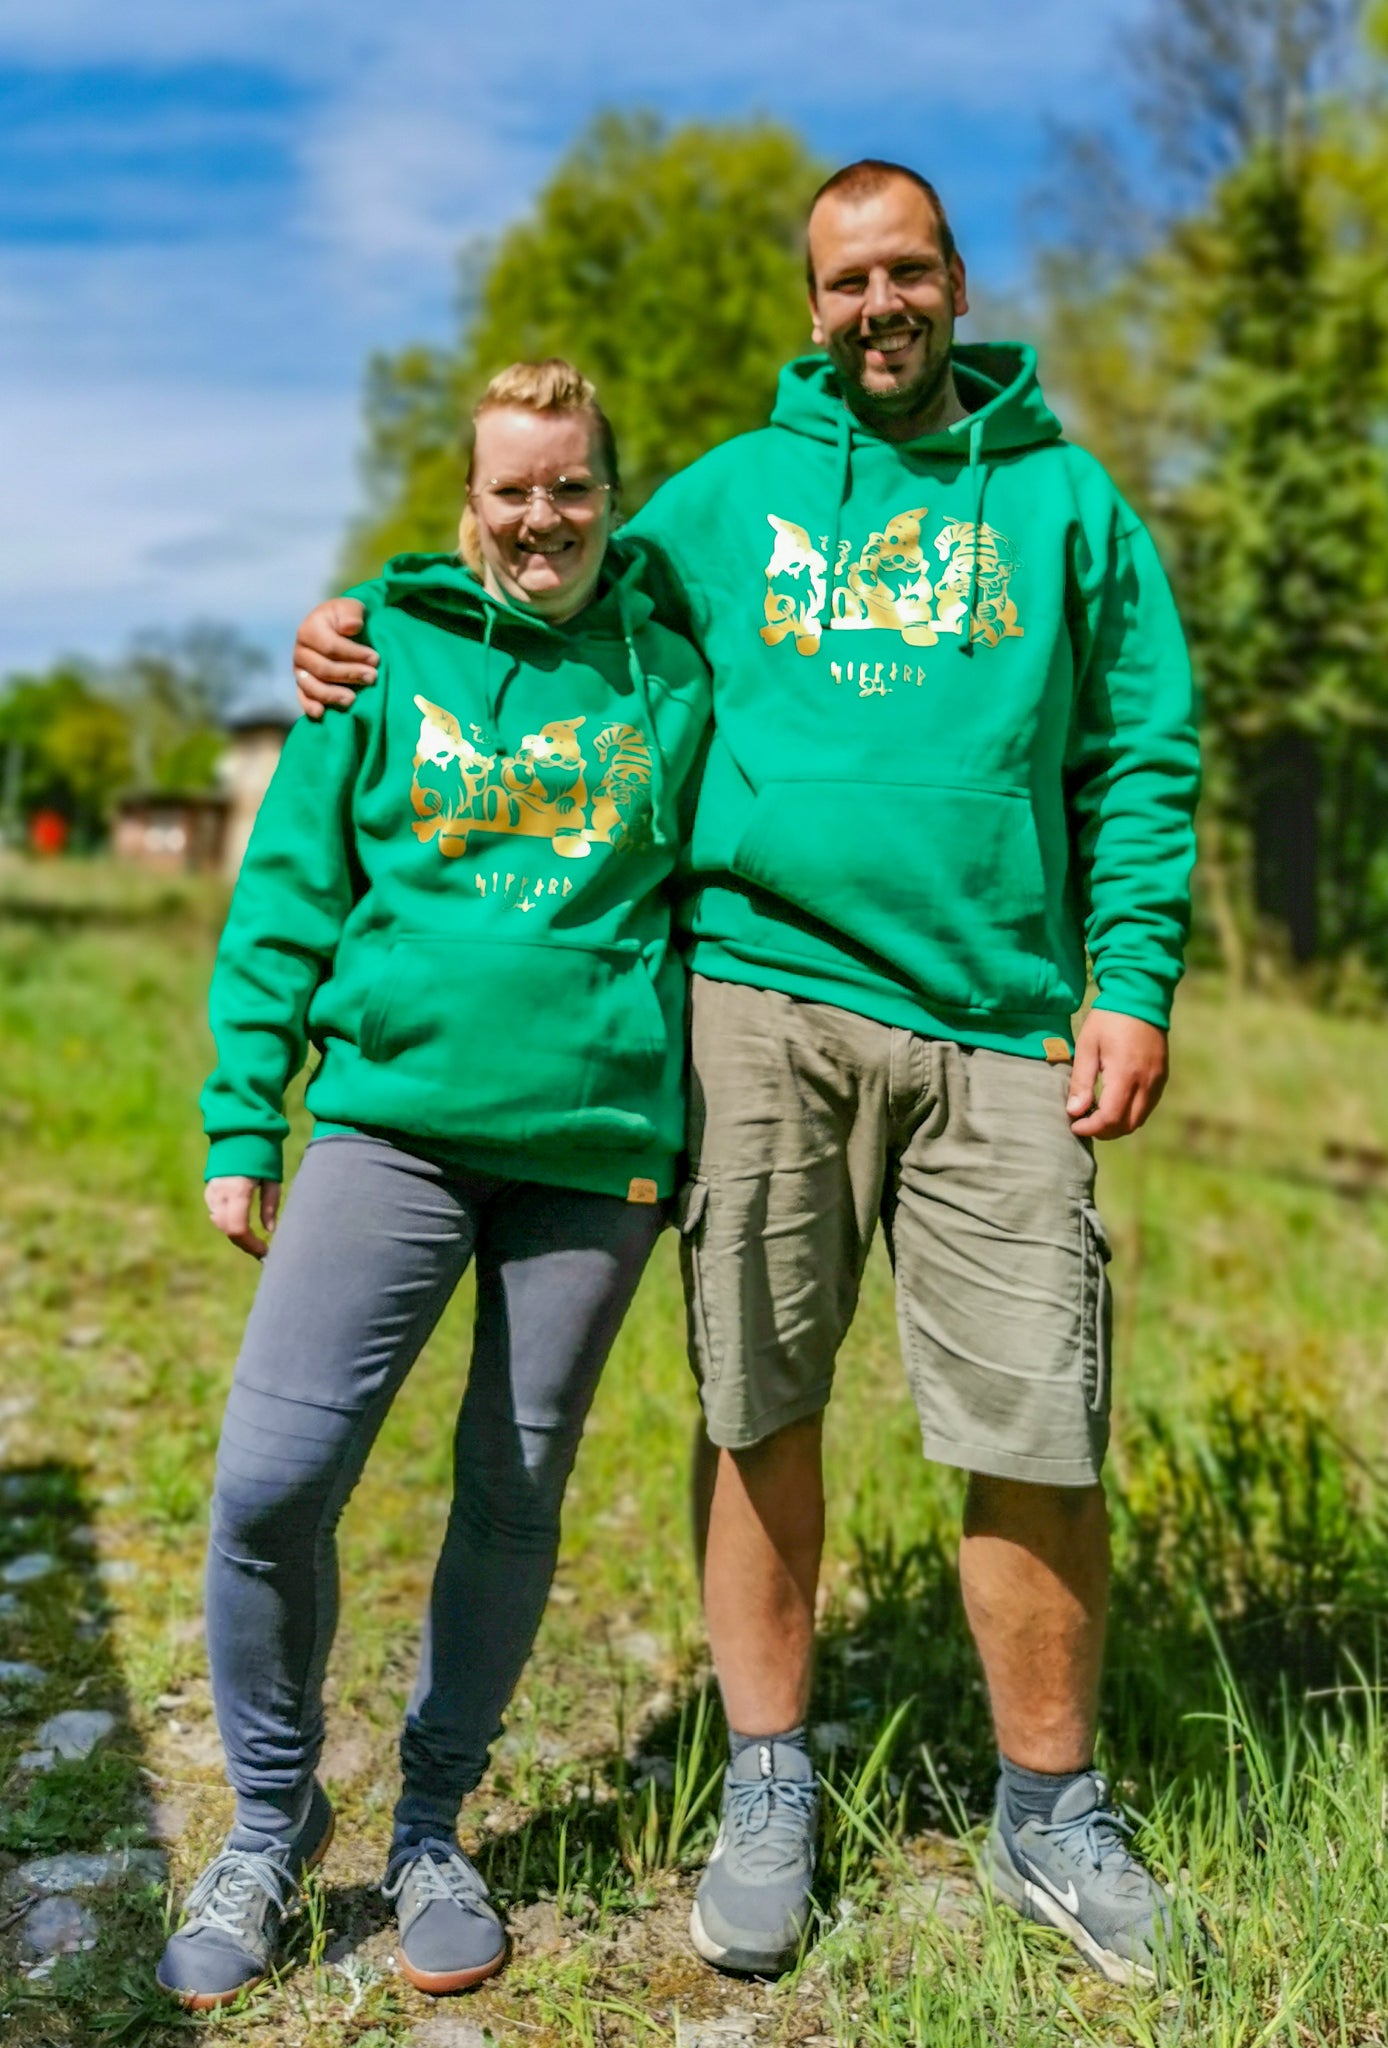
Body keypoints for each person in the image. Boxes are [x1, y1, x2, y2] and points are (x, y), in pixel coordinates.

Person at [293, 161, 1200, 1988]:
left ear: (955, 285)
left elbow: (1144, 751)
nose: (879, 304)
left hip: (999, 1017)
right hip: (760, 1002)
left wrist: (1135, 981)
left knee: (1035, 1420)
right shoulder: (723, 501)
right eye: (847, 279)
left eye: (908, 272)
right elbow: (533, 582)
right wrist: (359, 634)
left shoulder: (1065, 504)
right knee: (758, 1397)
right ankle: (769, 1783)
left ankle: (1050, 1811)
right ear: (813, 306)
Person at [156, 359, 710, 2010]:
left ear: (615, 496)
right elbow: (287, 895)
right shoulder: (377, 657)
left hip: (592, 1156)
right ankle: (268, 1822)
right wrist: (247, 1115)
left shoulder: (676, 675)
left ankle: (428, 1824)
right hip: (390, 1127)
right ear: (467, 504)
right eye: (512, 489)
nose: (543, 516)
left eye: (573, 486)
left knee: (514, 1491)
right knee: (270, 1484)